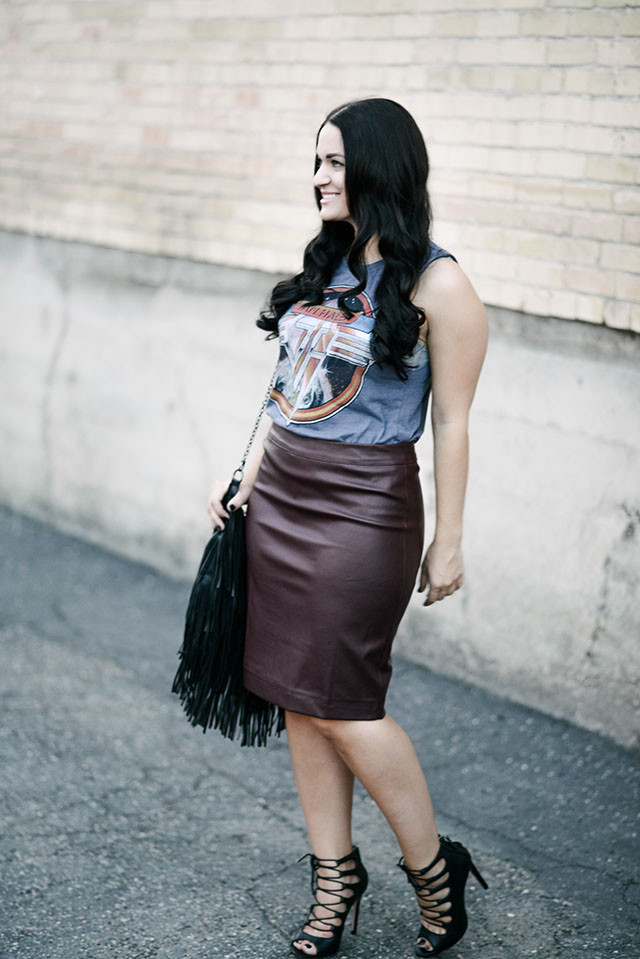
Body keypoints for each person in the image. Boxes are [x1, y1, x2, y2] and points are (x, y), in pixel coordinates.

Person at [208, 98, 489, 958]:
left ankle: (435, 870)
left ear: (379, 168)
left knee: (347, 702)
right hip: (283, 496)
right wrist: (246, 479)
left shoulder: (438, 282)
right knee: (299, 698)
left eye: (333, 162)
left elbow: (452, 422)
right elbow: (287, 387)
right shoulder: (325, 264)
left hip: (366, 508)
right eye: (317, 162)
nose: (319, 177)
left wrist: (449, 537)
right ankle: (335, 876)